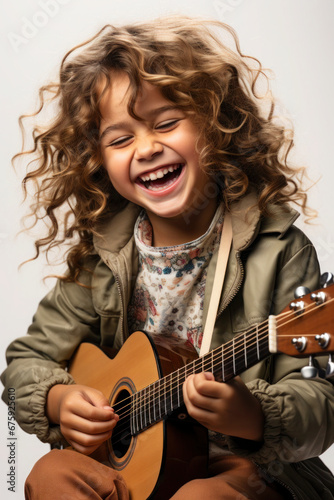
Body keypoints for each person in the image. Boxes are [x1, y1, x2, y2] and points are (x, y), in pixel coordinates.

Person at [1, 15, 334, 500]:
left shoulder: (279, 248)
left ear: (215, 125)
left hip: (245, 469)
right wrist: (59, 399)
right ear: (98, 160)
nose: (147, 148)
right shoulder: (105, 257)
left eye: (166, 123)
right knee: (52, 476)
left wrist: (253, 414)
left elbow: (320, 403)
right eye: (120, 139)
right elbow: (25, 360)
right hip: (140, 465)